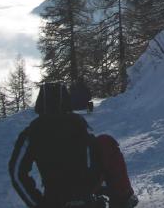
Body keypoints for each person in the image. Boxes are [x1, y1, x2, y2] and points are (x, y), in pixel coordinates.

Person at [9, 82, 138, 208]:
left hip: (55, 198)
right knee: (105, 142)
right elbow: (93, 154)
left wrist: (38, 204)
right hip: (85, 192)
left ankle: (112, 198)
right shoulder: (77, 123)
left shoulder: (31, 132)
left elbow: (16, 172)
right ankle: (123, 198)